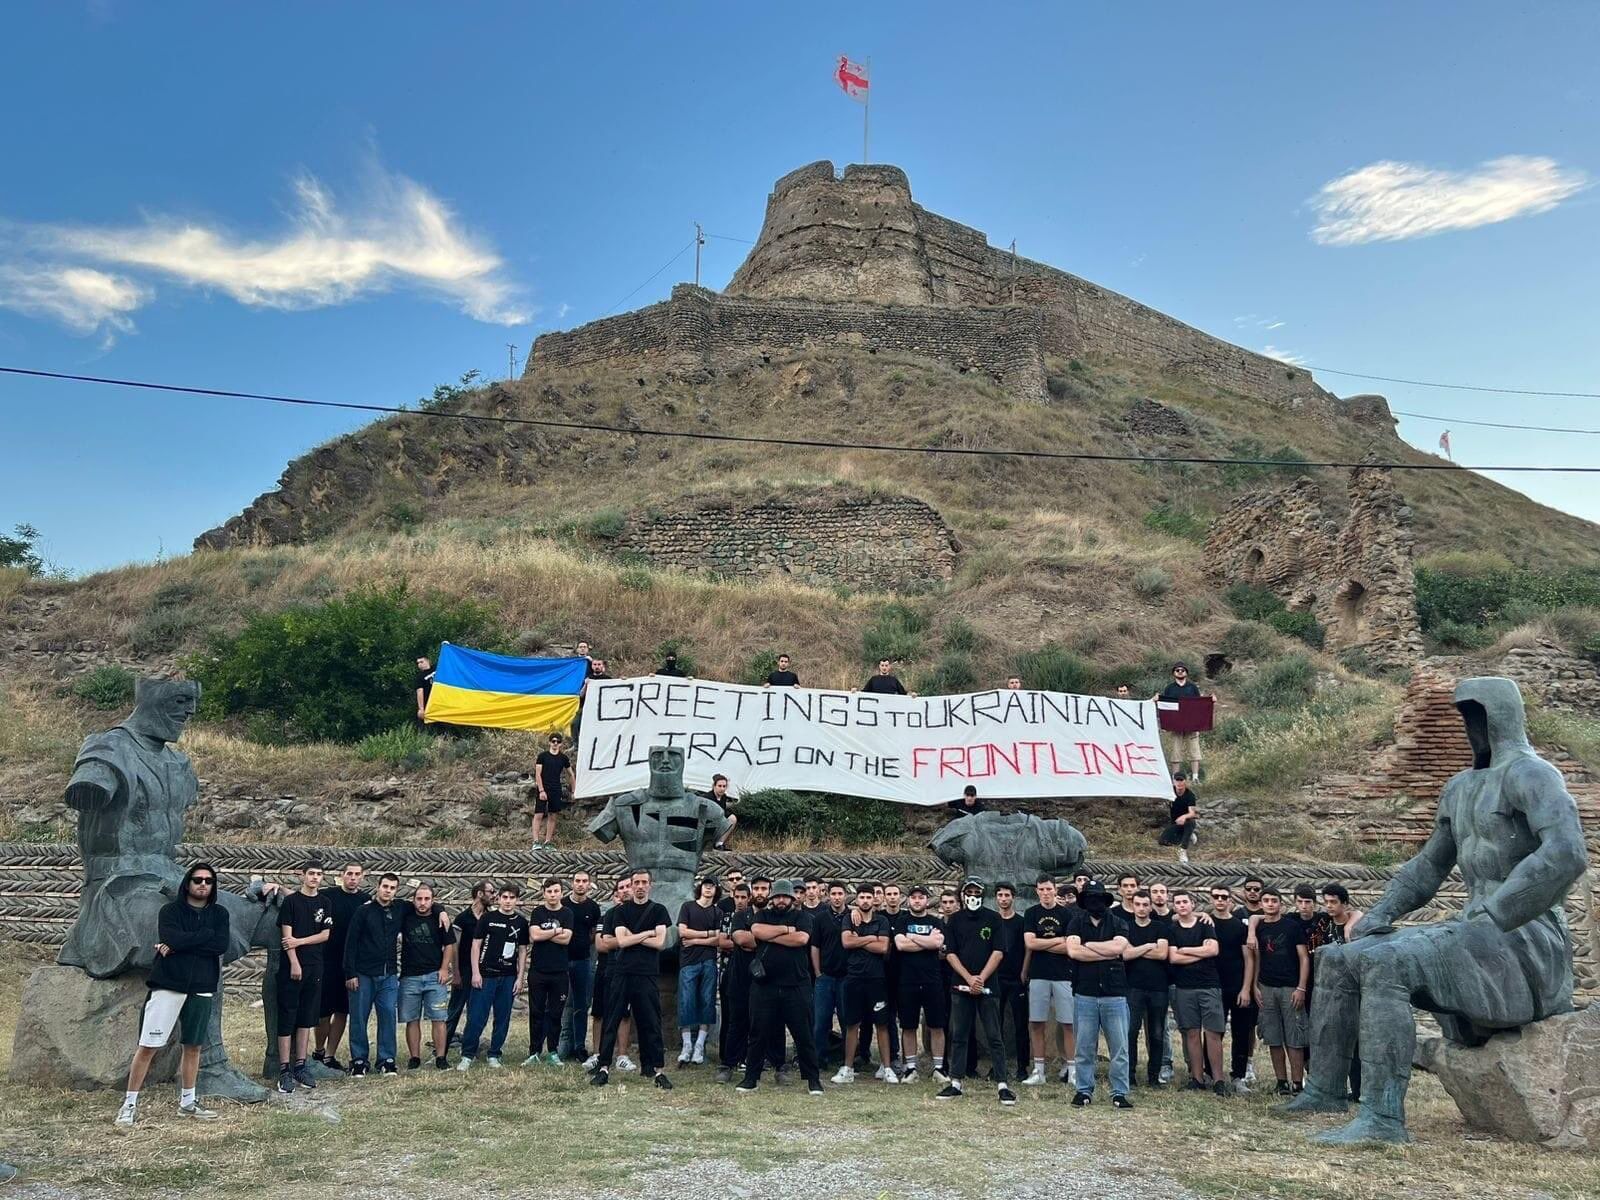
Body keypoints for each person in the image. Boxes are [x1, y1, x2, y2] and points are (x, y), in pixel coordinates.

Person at [115, 863, 228, 1126]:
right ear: (187, 882)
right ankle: (129, 1104)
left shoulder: (219, 914)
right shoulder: (170, 911)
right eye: (197, 879)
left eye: (208, 881)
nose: (203, 885)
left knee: (194, 1046)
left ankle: (188, 1101)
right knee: (148, 1046)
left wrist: (180, 944)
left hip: (202, 986)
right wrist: (199, 938)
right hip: (169, 984)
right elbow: (172, 937)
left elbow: (220, 944)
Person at [736, 881, 824, 1095]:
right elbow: (757, 931)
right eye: (777, 897)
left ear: (792, 899)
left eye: (785, 897)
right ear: (772, 899)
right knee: (758, 1033)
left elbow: (801, 939)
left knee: (804, 1034)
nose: (781, 900)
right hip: (764, 986)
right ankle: (751, 1078)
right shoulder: (762, 916)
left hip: (796, 985)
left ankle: (813, 1080)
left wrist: (772, 935)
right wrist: (785, 930)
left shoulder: (803, 917)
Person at [590, 868, 673, 1089]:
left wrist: (634, 936)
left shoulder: (659, 910)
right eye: (636, 882)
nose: (639, 886)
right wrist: (647, 933)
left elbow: (660, 943)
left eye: (643, 882)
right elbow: (622, 942)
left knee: (651, 1021)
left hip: (647, 973)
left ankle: (657, 1070)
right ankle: (604, 1067)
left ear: (650, 885)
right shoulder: (619, 911)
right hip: (622, 971)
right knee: (612, 1018)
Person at [936, 879, 1017, 1106]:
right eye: (968, 892)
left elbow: (999, 951)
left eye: (976, 892)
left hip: (988, 987)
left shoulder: (993, 919)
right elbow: (950, 953)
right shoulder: (955, 920)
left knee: (994, 1036)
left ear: (983, 895)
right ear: (963, 895)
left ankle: (1002, 1085)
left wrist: (980, 978)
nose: (972, 895)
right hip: (960, 986)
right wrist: (969, 978)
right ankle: (955, 1083)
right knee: (959, 1035)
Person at [1065, 880, 1133, 1108]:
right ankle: (1083, 1090)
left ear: (1105, 900)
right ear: (1085, 902)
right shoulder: (1075, 923)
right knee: (1084, 1047)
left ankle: (1119, 1092)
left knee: (1119, 1047)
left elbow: (1118, 949)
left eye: (1098, 898)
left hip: (1114, 994)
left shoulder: (1119, 922)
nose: (1095, 902)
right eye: (1090, 898)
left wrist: (1089, 945)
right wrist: (1106, 950)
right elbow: (1074, 951)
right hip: (1085, 993)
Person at [274, 859, 332, 1093]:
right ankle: (284, 1069)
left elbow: (325, 934)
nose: (315, 877)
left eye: (319, 874)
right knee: (288, 1016)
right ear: (303, 875)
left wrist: (302, 941)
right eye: (311, 873)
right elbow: (287, 938)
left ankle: (301, 1065)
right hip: (293, 966)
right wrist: (295, 962)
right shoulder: (291, 902)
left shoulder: (325, 902)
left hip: (315, 965)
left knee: (307, 1017)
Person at [457, 885, 529, 1071]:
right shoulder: (488, 918)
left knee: (503, 1017)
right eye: (504, 897)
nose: (507, 900)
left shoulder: (521, 922)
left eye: (511, 897)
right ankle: (467, 1055)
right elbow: (475, 946)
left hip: (508, 976)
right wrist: (475, 972)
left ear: (517, 900)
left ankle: (494, 1054)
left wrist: (520, 978)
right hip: (485, 975)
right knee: (476, 1017)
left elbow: (522, 951)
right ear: (498, 899)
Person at [835, 885, 896, 1084]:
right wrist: (871, 938)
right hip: (853, 978)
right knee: (852, 1024)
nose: (866, 900)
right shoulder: (849, 918)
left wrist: (859, 938)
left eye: (869, 897)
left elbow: (883, 947)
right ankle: (848, 1068)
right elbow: (846, 943)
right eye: (862, 897)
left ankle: (886, 1068)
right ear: (857, 899)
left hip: (876, 979)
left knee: (882, 1023)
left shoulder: (882, 920)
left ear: (874, 899)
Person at [1168, 890, 1227, 1096]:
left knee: (1213, 1033)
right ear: (1174, 906)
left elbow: (1213, 950)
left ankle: (1219, 1079)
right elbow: (1173, 958)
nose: (1182, 905)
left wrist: (1185, 950)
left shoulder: (1205, 925)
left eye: (1185, 902)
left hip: (1209, 985)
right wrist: (1198, 952)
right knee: (1191, 1033)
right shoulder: (1172, 929)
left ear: (1193, 904)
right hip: (1184, 987)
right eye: (1178, 902)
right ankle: (1197, 1078)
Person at [343, 872, 402, 1076]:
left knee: (387, 1015)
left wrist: (440, 911)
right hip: (363, 974)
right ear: (378, 886)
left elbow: (426, 906)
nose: (388, 891)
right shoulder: (363, 911)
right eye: (385, 886)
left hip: (388, 975)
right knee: (359, 1017)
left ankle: (386, 1059)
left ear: (396, 891)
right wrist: (350, 974)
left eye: (392, 888)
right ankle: (359, 1060)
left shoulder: (400, 909)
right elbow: (350, 943)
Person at [1252, 888, 1310, 1095]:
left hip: (1290, 988)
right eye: (1266, 900)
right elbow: (1256, 958)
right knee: (1273, 1037)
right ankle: (1281, 1082)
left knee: (1294, 1038)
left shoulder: (1292, 927)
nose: (1269, 904)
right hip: (1266, 987)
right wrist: (1254, 986)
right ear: (1261, 904)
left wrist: (1301, 987)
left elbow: (1304, 958)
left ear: (1281, 904)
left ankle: (1297, 1083)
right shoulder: (1258, 928)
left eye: (1273, 900)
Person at [312, 861, 369, 1071]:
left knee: (343, 1011)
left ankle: (330, 1055)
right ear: (342, 875)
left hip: (351, 965)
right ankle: (318, 1050)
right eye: (349, 874)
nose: (353, 878)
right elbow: (303, 897)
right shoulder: (328, 896)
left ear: (362, 877)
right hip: (327, 961)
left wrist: (440, 909)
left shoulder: (366, 901)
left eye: (357, 874)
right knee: (323, 1012)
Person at [1022, 875, 1076, 1088]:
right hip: (1038, 974)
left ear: (1055, 890)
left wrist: (1042, 942)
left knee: (1068, 1023)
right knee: (1036, 1022)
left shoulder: (1067, 914)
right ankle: (1039, 1070)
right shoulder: (1031, 913)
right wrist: (1057, 940)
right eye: (1041, 889)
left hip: (1063, 975)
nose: (1045, 893)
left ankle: (1072, 1070)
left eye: (1049, 889)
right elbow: (1030, 943)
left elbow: (1070, 946)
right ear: (1037, 891)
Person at [893, 884, 947, 1084]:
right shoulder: (902, 920)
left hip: (932, 980)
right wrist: (927, 941)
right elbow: (900, 945)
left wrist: (913, 937)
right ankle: (911, 1068)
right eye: (913, 897)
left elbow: (937, 944)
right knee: (908, 1026)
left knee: (937, 1025)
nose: (917, 900)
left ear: (927, 900)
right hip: (907, 981)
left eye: (921, 897)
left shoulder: (936, 921)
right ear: (908, 900)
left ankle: (939, 1068)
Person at [399, 882, 454, 1071]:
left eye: (427, 899)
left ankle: (441, 1057)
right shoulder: (405, 915)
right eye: (419, 899)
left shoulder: (441, 920)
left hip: (434, 976)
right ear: (413, 900)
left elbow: (449, 945)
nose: (423, 903)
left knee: (439, 1018)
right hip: (409, 977)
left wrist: (444, 969)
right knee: (411, 1019)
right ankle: (414, 1057)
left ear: (433, 900)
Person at [1209, 884, 1257, 1090]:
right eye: (1216, 896)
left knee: (1241, 1032)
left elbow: (1249, 959)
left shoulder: (1239, 926)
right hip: (1213, 986)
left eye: (1224, 897)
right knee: (1213, 1032)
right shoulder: (1205, 924)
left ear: (1230, 901)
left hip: (1237, 986)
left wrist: (1246, 988)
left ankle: (1238, 1076)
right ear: (1211, 899)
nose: (1220, 900)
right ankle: (1211, 1074)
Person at [585, 878, 635, 1073]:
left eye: (626, 887)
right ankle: (597, 1054)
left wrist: (620, 939)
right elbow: (600, 945)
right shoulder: (606, 917)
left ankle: (622, 1055)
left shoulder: (638, 916)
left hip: (628, 970)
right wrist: (627, 939)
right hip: (605, 969)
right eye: (619, 889)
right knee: (599, 1012)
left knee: (624, 1013)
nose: (624, 891)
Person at [522, 878, 574, 1066]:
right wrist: (556, 931)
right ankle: (534, 1051)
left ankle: (553, 1051)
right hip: (538, 971)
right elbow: (534, 936)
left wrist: (546, 935)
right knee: (536, 1012)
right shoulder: (538, 912)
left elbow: (566, 939)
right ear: (544, 893)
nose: (553, 895)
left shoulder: (567, 913)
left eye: (556, 891)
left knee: (555, 1013)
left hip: (559, 972)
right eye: (549, 891)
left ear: (561, 893)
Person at [1123, 890, 1170, 1087]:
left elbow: (1162, 954)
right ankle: (1130, 1074)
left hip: (1158, 987)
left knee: (1157, 1033)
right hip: (1133, 987)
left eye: (1145, 904)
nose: (1141, 908)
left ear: (1151, 906)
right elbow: (1124, 954)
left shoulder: (1161, 927)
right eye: (1138, 904)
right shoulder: (1125, 926)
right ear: (1132, 906)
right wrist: (1149, 946)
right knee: (1131, 1031)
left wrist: (1137, 949)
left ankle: (1154, 1076)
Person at [677, 877, 722, 1065]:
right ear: (700, 888)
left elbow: (719, 938)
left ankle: (700, 1045)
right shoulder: (687, 907)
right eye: (706, 885)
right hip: (688, 962)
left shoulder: (718, 912)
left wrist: (695, 940)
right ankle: (687, 1044)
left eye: (712, 886)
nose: (708, 889)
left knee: (707, 1000)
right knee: (686, 1000)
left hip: (709, 961)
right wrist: (708, 934)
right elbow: (682, 932)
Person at [559, 871, 603, 1061]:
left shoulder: (593, 908)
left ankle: (579, 1047)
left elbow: (594, 933)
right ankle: (560, 1045)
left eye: (584, 881)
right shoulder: (562, 905)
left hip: (583, 960)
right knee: (560, 1004)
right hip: (560, 960)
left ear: (589, 885)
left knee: (580, 1005)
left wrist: (583, 942)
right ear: (572, 883)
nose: (580, 884)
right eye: (577, 881)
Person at [445, 880, 493, 1051]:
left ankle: (470, 1046)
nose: (493, 895)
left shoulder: (490, 918)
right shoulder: (463, 918)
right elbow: (454, 947)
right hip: (464, 970)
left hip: (484, 971)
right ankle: (442, 1047)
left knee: (477, 1012)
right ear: (480, 893)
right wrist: (456, 972)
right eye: (490, 892)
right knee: (454, 1010)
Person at [715, 881, 752, 1081]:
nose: (739, 901)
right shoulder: (727, 917)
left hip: (750, 972)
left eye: (743, 897)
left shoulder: (756, 917)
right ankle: (727, 1057)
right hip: (729, 971)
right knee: (730, 1017)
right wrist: (740, 941)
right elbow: (722, 942)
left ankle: (746, 1056)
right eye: (736, 897)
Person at [992, 882, 1029, 1082]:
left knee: (1020, 1025)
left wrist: (1024, 971)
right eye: (1000, 895)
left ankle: (1023, 1066)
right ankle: (997, 1067)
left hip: (1017, 979)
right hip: (996, 979)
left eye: (1007, 895)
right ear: (996, 898)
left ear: (1013, 897)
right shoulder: (991, 921)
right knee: (995, 1025)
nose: (1004, 898)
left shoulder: (1021, 922)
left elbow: (1027, 948)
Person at [811, 880, 850, 1071]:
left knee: (847, 1021)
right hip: (825, 977)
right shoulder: (820, 918)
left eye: (840, 894)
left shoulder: (853, 916)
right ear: (828, 895)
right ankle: (819, 1060)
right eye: (833, 894)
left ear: (845, 895)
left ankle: (847, 1061)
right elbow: (815, 947)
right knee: (820, 1022)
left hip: (847, 978)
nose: (836, 897)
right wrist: (818, 973)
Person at [1156, 662, 1205, 779]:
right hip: (1176, 725)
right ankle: (1175, 777)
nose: (1180, 672)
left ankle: (1195, 777)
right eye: (1177, 670)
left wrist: (1211, 700)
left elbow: (1199, 704)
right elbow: (1165, 706)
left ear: (1186, 672)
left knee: (1194, 750)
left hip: (1191, 724)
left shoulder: (1192, 687)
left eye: (1182, 670)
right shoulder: (1169, 688)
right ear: (1174, 673)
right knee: (1176, 751)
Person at [532, 733, 573, 851]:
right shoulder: (542, 756)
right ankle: (535, 841)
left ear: (561, 744)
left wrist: (573, 791)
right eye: (553, 741)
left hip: (556, 789)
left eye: (558, 741)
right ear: (549, 742)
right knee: (538, 814)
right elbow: (538, 774)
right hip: (543, 788)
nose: (555, 743)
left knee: (552, 815)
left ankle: (548, 842)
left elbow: (571, 774)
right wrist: (541, 790)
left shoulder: (563, 758)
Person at [1167, 773, 1199, 864]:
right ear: (1173, 781)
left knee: (1191, 822)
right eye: (1177, 780)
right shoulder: (1169, 792)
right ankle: (1187, 836)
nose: (1179, 782)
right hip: (1175, 823)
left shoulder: (1190, 795)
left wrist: (1183, 817)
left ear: (1185, 781)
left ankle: (1183, 849)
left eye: (1181, 780)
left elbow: (1192, 813)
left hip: (1186, 822)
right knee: (1163, 841)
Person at [707, 773, 738, 850]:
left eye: (724, 786)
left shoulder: (724, 797)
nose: (722, 788)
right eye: (719, 786)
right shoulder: (708, 797)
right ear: (714, 786)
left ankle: (719, 844)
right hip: (708, 826)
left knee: (732, 818)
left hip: (719, 824)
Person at [414, 656, 434, 725]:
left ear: (428, 661)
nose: (419, 664)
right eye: (418, 663)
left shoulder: (437, 668)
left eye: (421, 662)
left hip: (442, 701)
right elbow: (419, 691)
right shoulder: (420, 677)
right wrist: (421, 709)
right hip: (429, 704)